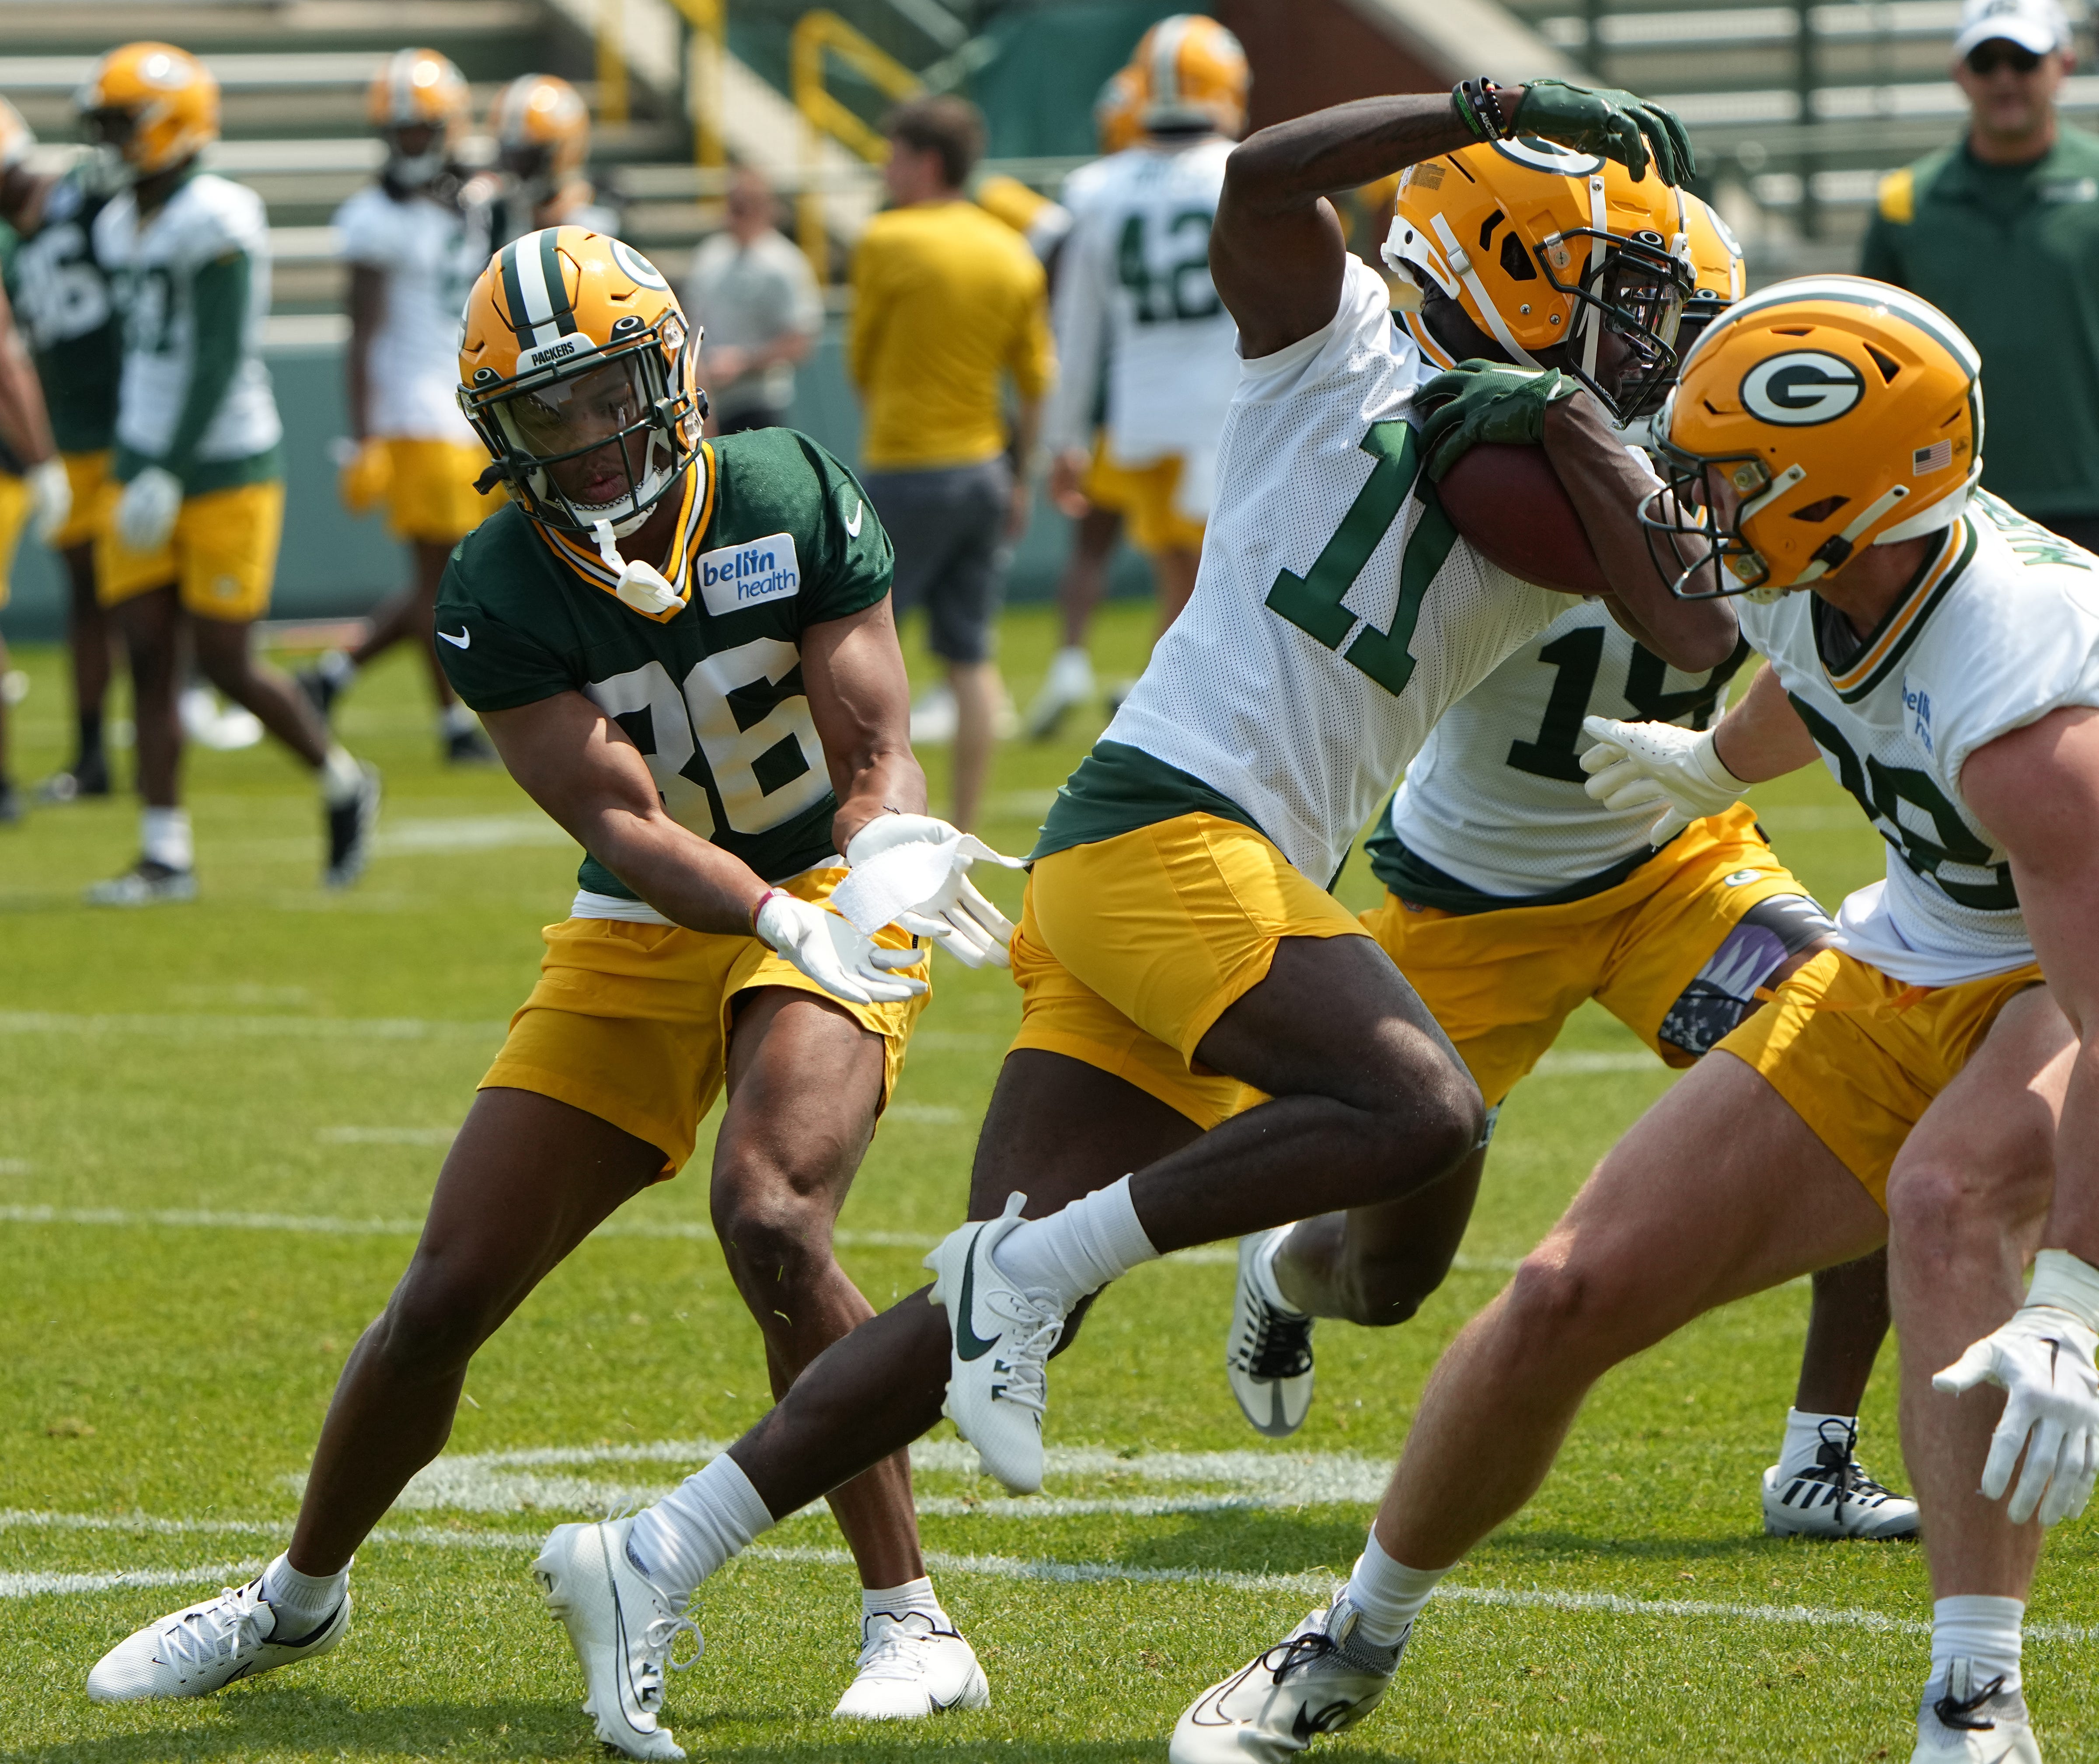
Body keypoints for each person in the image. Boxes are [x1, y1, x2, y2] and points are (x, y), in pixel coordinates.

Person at [512, 79, 1722, 1763]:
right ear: (1504, 260)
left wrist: (1578, 417)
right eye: (1618, 309)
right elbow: (1258, 165)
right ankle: (1036, 1266)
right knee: (1416, 1104)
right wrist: (1477, 100)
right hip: (1169, 829)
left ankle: (649, 1552)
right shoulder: (1336, 335)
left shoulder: (1541, 449)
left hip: (1183, 867)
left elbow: (1689, 614)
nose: (1638, 351)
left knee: (1021, 1315)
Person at [85, 227, 1020, 1744]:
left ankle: (913, 1617)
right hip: (656, 914)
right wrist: (780, 922)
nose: (583, 445)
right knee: (447, 1288)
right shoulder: (497, 585)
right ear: (494, 436)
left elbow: (870, 741)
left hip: (841, 892)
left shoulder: (784, 490)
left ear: (671, 375)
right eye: (541, 417)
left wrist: (886, 846)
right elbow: (624, 824)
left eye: (602, 399)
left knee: (774, 1214)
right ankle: (296, 1595)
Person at [1173, 276, 2099, 1764]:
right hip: (1917, 960)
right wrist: (1718, 764)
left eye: (1732, 472)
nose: (1698, 498)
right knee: (1565, 1288)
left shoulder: (2035, 705)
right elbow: (1825, 671)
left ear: (1840, 486)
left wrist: (2071, 1299)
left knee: (1944, 1201)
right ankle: (1350, 1635)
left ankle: (1976, 1702)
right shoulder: (1839, 566)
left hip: (2063, 984)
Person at [1228, 187, 1916, 1542]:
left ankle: (1817, 1456)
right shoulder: (1494, 470)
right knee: (1386, 1280)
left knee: (1875, 1085)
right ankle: (1284, 1271)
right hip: (1462, 909)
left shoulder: (1729, 465)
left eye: (1682, 319)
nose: (1664, 349)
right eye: (1649, 314)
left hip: (1675, 872)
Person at [79, 41, 379, 905]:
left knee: (224, 660)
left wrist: (166, 471)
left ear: (172, 126)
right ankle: (164, 851)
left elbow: (216, 355)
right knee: (146, 650)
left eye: (120, 123)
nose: (109, 140)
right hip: (140, 457)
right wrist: (126, 460)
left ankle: (340, 779)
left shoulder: (220, 214)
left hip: (223, 461)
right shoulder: (113, 220)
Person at [1037, 16, 1249, 726]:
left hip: (1140, 410)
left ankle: (1166, 710)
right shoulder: (1243, 171)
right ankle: (1170, 718)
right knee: (1208, 585)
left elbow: (1076, 326)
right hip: (1224, 406)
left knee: (1183, 579)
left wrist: (1062, 435)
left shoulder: (1096, 186)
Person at [849, 94, 1053, 832]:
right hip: (985, 474)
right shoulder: (1010, 249)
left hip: (907, 468)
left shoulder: (887, 240)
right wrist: (1020, 476)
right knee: (971, 659)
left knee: (868, 655)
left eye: (894, 153)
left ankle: (887, 818)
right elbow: (1035, 382)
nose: (884, 167)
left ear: (927, 162)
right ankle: (962, 828)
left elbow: (862, 362)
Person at [299, 49, 499, 766]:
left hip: (470, 406)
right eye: (400, 132)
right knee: (444, 582)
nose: (409, 144)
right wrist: (364, 436)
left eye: (421, 131)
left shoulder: (476, 198)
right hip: (414, 410)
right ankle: (450, 723)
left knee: (451, 576)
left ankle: (332, 674)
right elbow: (363, 332)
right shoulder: (372, 216)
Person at [1862, 0, 2099, 552]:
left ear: (2063, 65)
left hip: (2090, 493)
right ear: (1959, 73)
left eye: (2023, 59)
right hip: (1953, 499)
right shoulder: (1904, 202)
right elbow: (1876, 362)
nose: (2005, 79)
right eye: (1986, 61)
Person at [0, 97, 118, 808]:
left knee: (138, 600)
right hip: (67, 431)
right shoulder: (17, 235)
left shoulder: (91, 195)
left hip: (121, 425)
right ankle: (92, 750)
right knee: (88, 596)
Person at [1026, 63, 1147, 741]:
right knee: (1188, 553)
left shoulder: (1084, 200)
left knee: (1089, 547)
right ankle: (1155, 673)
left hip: (1100, 400)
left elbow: (1036, 270)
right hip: (1167, 400)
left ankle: (1071, 658)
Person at [683, 166, 823, 437]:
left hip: (758, 403)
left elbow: (800, 342)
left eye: (742, 207)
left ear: (764, 209)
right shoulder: (710, 255)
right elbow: (693, 325)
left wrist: (744, 363)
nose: (732, 215)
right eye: (731, 205)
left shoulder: (784, 262)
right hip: (708, 402)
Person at [490, 73, 618, 246]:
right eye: (510, 155)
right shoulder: (498, 217)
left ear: (566, 150)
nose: (518, 168)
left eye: (530, 157)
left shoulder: (601, 218)